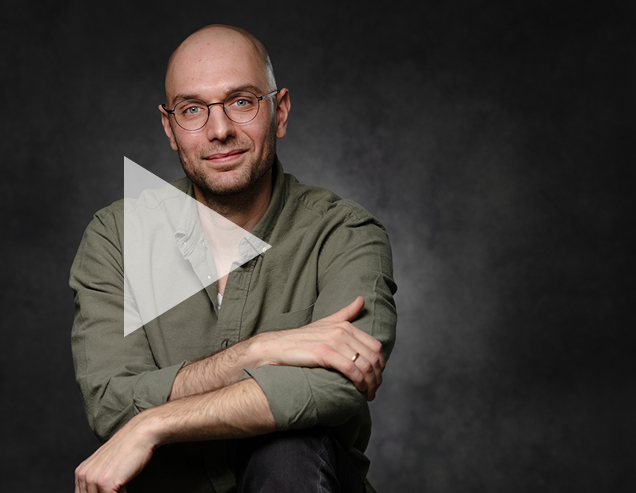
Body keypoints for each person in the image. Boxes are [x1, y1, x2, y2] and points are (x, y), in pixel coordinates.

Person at [70, 24, 396, 493]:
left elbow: (338, 383)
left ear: (278, 112)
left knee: (289, 448)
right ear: (170, 128)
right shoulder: (117, 237)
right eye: (192, 110)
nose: (220, 130)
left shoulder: (344, 234)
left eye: (241, 101)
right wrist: (258, 352)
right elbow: (110, 401)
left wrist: (154, 424)